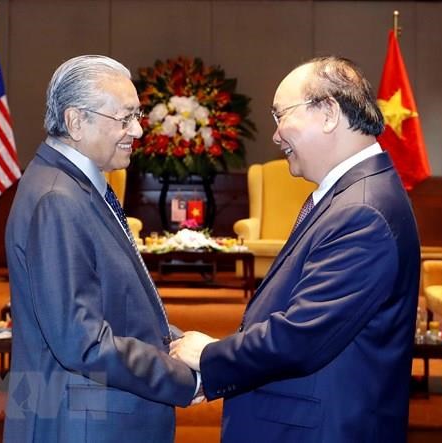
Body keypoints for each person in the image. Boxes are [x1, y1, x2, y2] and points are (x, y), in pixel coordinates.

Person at [170, 56, 421, 442]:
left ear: (328, 113)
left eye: (280, 115)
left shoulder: (363, 211)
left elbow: (302, 336)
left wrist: (209, 357)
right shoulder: (352, 196)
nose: (275, 136)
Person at [4, 55, 198, 443]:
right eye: (124, 118)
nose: (138, 130)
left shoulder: (75, 185)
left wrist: (175, 343)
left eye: (137, 115)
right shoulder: (58, 198)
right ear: (76, 122)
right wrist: (181, 377)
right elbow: (83, 340)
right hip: (83, 425)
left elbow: (113, 303)